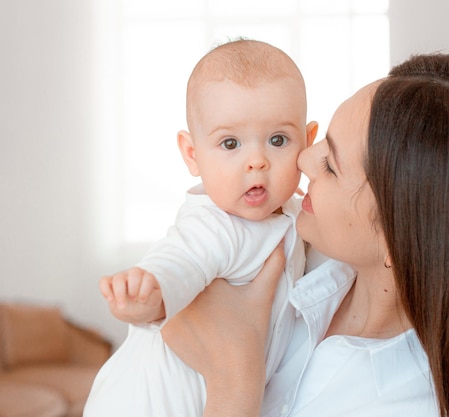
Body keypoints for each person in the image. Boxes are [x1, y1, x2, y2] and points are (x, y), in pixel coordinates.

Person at [162, 52, 449, 417]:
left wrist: (235, 381)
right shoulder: (297, 264)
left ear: (400, 239)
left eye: (331, 165)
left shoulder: (404, 405)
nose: (303, 159)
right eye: (321, 142)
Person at [84, 39, 317, 417]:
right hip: (145, 401)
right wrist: (152, 291)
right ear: (192, 155)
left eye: (278, 140)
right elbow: (182, 258)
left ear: (307, 142)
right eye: (230, 143)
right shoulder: (215, 222)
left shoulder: (295, 214)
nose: (256, 161)